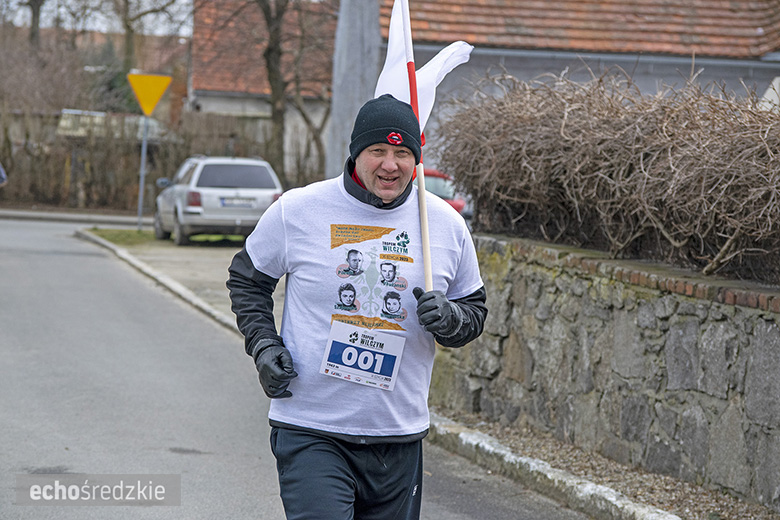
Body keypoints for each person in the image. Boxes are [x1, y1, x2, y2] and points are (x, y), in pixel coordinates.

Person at [227, 93, 488, 520]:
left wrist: (452, 318)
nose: (391, 164)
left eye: (403, 152)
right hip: (312, 426)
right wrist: (263, 344)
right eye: (378, 151)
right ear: (355, 153)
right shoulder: (299, 211)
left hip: (397, 433)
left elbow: (473, 311)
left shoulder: (444, 224)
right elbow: (247, 280)